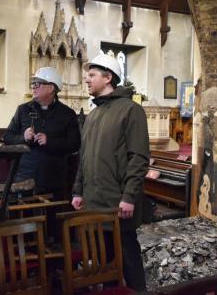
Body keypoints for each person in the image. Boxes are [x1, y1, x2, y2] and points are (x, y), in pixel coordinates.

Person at [72, 53, 149, 291]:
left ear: (108, 78)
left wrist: (128, 196)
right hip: (95, 201)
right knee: (104, 262)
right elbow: (83, 157)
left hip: (118, 202)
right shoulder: (93, 115)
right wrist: (78, 191)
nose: (87, 79)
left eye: (92, 75)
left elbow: (138, 157)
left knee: (128, 259)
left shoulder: (130, 110)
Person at [4, 66, 80, 200]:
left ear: (51, 88)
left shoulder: (67, 114)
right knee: (24, 219)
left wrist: (50, 141)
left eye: (37, 84)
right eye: (33, 83)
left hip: (53, 180)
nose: (33, 87)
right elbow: (8, 137)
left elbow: (75, 144)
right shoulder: (23, 110)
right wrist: (24, 138)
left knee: (52, 219)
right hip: (25, 178)